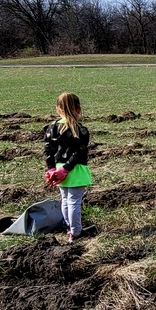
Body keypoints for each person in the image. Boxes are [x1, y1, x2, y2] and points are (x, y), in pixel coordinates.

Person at [43, 92, 92, 243]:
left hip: (58, 170)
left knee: (64, 200)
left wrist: (52, 169)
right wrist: (67, 169)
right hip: (75, 170)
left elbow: (47, 150)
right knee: (74, 202)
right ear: (78, 109)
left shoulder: (51, 128)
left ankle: (69, 228)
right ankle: (76, 233)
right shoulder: (80, 130)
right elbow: (79, 153)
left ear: (58, 109)